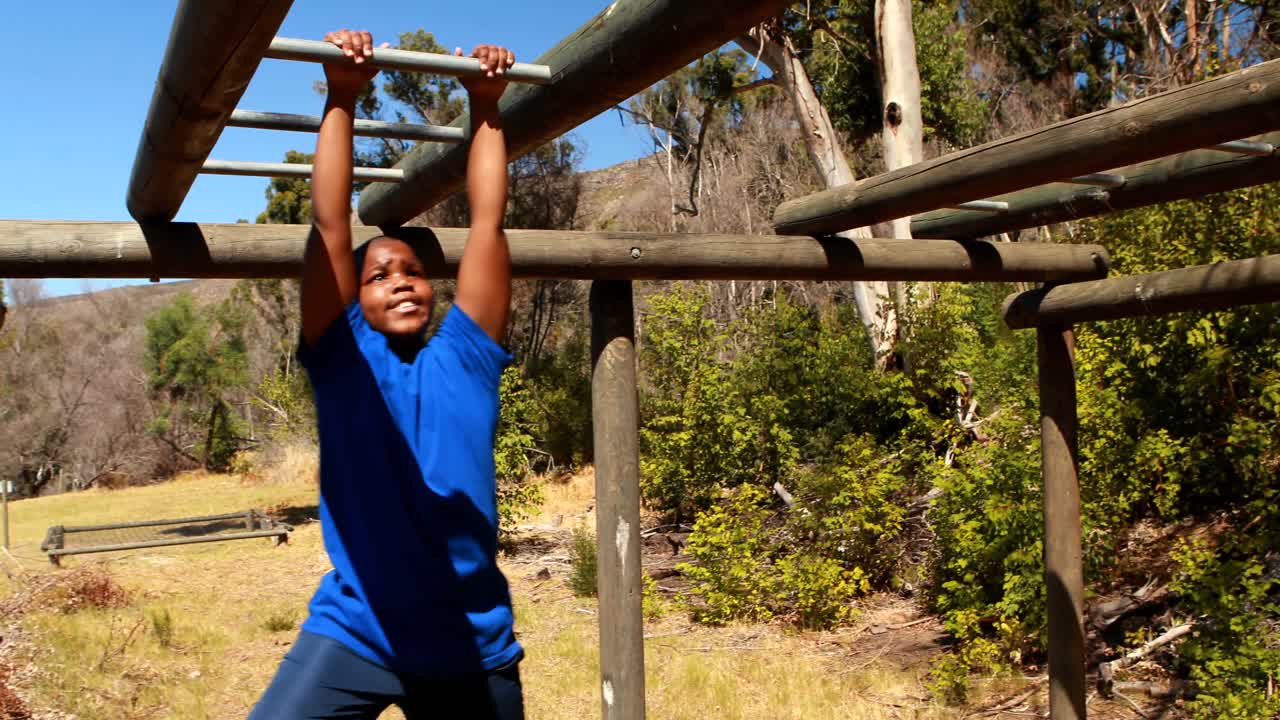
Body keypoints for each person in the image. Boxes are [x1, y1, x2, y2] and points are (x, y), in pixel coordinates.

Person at [247, 29, 523, 720]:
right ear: (355, 297)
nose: (400, 281)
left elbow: (487, 224)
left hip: (468, 640)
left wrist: (485, 105)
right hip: (359, 628)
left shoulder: (467, 358)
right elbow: (331, 226)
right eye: (380, 275)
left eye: (413, 272)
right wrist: (342, 94)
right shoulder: (343, 359)